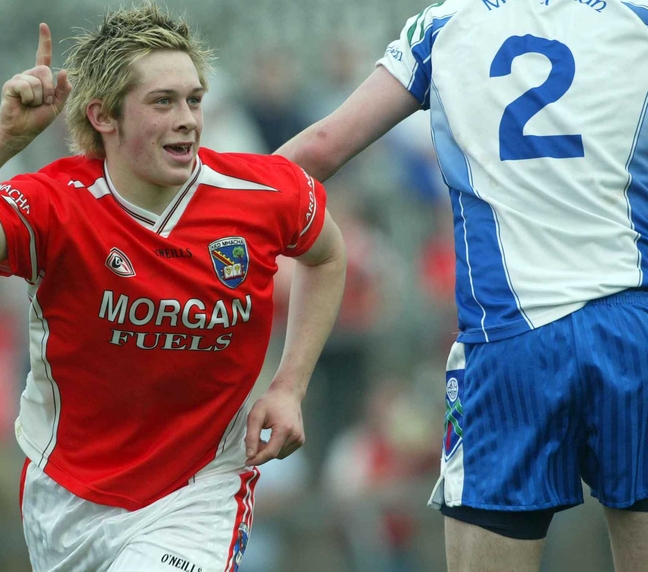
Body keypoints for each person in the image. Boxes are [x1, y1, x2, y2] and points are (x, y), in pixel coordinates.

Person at [0, 4, 346, 571]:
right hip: (66, 496)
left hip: (199, 490)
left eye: (194, 99)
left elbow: (326, 255)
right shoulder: (53, 205)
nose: (187, 119)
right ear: (104, 116)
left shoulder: (261, 192)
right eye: (163, 101)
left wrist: (290, 385)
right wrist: (5, 138)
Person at [276, 1, 648, 571]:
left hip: (509, 344)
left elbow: (321, 148)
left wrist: (200, 215)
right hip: (635, 334)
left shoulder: (447, 25)